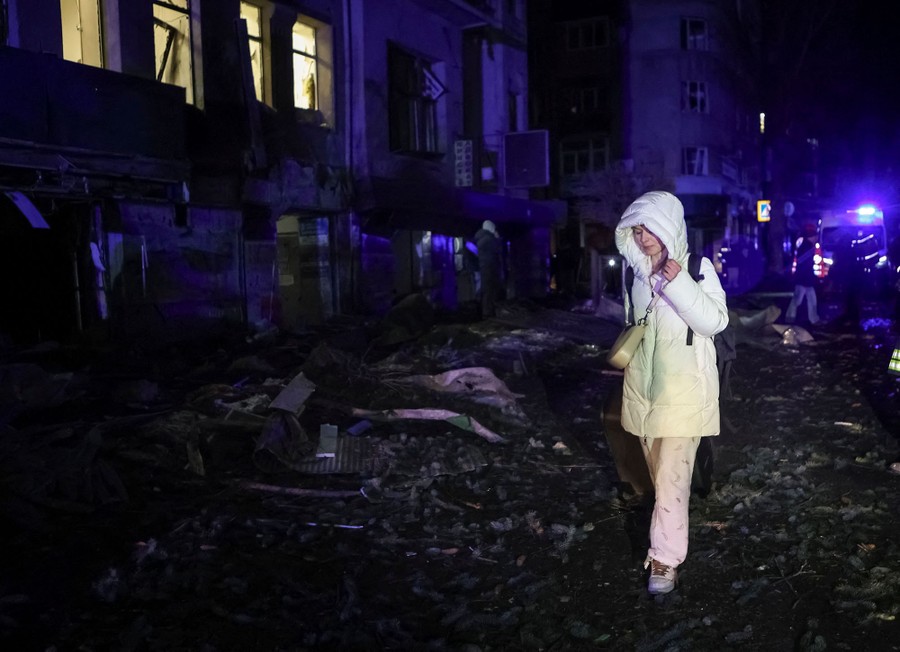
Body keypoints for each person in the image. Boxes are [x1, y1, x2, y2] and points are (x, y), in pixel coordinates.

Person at [613, 191, 729, 595]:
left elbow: (715, 321)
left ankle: (664, 560)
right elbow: (634, 325)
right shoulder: (636, 275)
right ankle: (666, 543)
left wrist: (679, 281)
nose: (644, 237)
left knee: (671, 480)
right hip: (644, 393)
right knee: (661, 479)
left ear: (669, 227)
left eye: (649, 229)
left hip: (684, 391)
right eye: (637, 230)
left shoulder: (697, 268)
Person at [785, 223, 821, 326]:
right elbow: (805, 265)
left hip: (803, 278)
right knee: (800, 299)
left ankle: (811, 319)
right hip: (804, 278)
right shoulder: (808, 248)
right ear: (812, 237)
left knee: (805, 299)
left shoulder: (805, 246)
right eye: (815, 236)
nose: (816, 238)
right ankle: (792, 318)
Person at [474, 220, 502, 318]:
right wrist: (497, 238)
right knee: (490, 289)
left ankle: (486, 311)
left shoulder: (480, 237)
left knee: (487, 289)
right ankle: (488, 312)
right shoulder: (489, 238)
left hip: (484, 266)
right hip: (489, 266)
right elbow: (497, 249)